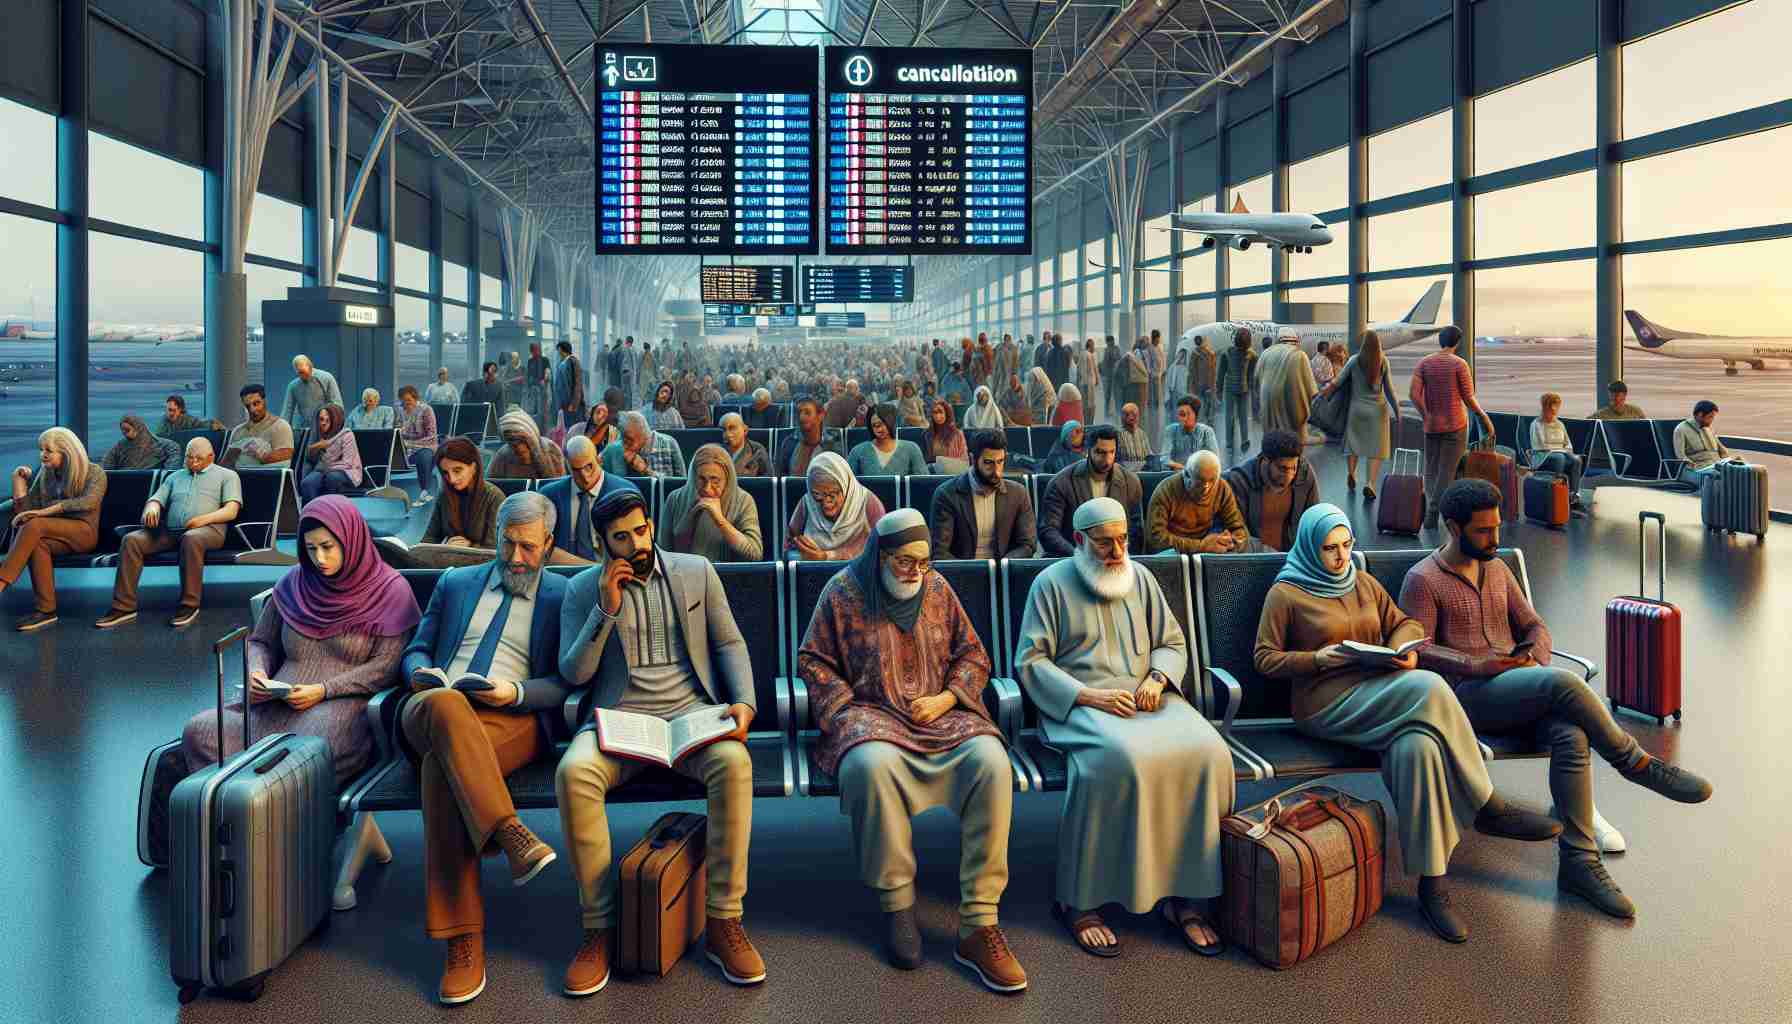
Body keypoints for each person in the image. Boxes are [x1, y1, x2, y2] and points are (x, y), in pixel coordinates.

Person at [1399, 479, 1713, 919]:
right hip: (1464, 701)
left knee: (1570, 735)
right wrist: (1475, 666)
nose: (1495, 539)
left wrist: (1532, 657)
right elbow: (1415, 649)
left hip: (1519, 689)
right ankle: (1636, 763)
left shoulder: (1497, 569)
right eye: (1484, 531)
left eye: (1497, 528)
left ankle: (1579, 863)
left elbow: (1535, 626)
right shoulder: (1423, 579)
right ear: (1453, 527)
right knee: (1563, 684)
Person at [1253, 504, 1562, 943]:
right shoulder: (1286, 593)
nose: (1341, 557)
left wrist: (1402, 648)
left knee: (1418, 748)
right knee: (1431, 687)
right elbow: (1264, 658)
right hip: (1325, 703)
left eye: (1346, 546)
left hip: (1376, 693)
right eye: (1330, 549)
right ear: (1309, 547)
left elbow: (1404, 622)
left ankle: (1432, 886)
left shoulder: (1360, 581)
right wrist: (1317, 659)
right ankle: (1488, 805)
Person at [795, 509, 1025, 988]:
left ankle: (979, 921)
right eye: (904, 562)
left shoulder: (938, 589)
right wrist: (847, 713)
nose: (914, 573)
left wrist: (945, 699)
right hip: (871, 714)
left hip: (941, 713)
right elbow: (813, 661)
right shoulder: (841, 592)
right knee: (869, 766)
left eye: (922, 562)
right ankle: (897, 902)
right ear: (880, 554)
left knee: (991, 763)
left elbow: (972, 654)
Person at [553, 488, 765, 996]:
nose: (635, 544)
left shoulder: (695, 571)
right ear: (602, 542)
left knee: (734, 764)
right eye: (620, 538)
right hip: (620, 716)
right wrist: (605, 610)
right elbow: (574, 674)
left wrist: (745, 704)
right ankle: (598, 927)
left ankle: (723, 920)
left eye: (641, 530)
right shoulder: (582, 588)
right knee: (573, 772)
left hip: (691, 712)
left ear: (651, 525)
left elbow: (730, 641)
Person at [1015, 496, 1233, 958]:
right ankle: (1081, 903)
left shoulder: (1143, 578)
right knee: (1123, 762)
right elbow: (1031, 661)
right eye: (1104, 543)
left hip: (1148, 698)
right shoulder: (1049, 584)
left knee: (1209, 753)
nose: (1117, 552)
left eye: (1122, 541)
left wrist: (1157, 679)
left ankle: (1184, 898)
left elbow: (1171, 642)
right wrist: (1090, 696)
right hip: (1080, 704)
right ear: (1078, 541)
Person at [399, 492, 571, 1004]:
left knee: (440, 771)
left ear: (549, 544)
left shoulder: (563, 595)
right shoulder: (455, 583)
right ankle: (509, 830)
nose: (516, 558)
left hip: (508, 718)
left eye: (528, 548)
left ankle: (463, 939)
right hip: (431, 708)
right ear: (494, 536)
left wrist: (512, 693)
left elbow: (565, 680)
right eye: (507, 543)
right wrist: (419, 676)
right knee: (448, 710)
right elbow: (417, 649)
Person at [176, 497, 417, 788]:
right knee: (200, 731)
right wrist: (258, 672)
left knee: (301, 754)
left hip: (336, 711)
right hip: (272, 706)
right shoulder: (294, 582)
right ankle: (228, 817)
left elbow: (386, 667)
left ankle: (275, 824)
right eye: (311, 548)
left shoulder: (391, 591)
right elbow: (260, 642)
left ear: (351, 540)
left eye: (327, 547)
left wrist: (323, 690)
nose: (319, 559)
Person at [96, 437, 240, 630]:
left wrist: (202, 520)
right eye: (189, 458)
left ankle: (189, 604)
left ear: (211, 457)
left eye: (199, 459)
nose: (193, 462)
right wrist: (152, 509)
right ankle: (123, 606)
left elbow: (231, 510)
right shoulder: (174, 477)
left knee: (191, 538)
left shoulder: (227, 476)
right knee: (132, 540)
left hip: (209, 530)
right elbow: (156, 499)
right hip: (171, 531)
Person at [2, 428, 105, 632]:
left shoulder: (94, 472)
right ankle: (46, 610)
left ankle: (2, 581)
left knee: (35, 524)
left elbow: (89, 502)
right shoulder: (46, 473)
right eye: (41, 449)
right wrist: (18, 482)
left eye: (49, 450)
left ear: (66, 452)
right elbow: (28, 513)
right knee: (37, 542)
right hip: (51, 533)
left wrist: (47, 512)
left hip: (83, 533)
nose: (43, 454)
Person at [1410, 326, 1495, 529]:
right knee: (1446, 472)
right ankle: (1432, 512)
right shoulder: (1459, 364)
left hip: (1432, 427)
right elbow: (1468, 397)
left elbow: (1413, 395)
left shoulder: (1424, 363)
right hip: (1455, 426)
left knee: (1430, 470)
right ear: (1457, 342)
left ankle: (1430, 506)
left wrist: (1426, 415)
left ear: (1440, 341)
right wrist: (1484, 418)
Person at [928, 431, 1036, 561]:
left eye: (1000, 461)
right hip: (961, 573)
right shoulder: (947, 494)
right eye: (988, 462)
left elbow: (1028, 544)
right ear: (973, 459)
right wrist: (971, 573)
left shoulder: (1018, 493)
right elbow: (940, 551)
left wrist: (1001, 567)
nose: (996, 471)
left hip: (1005, 572)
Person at [1038, 424, 1143, 557]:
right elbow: (1048, 531)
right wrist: (1079, 556)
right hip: (1075, 560)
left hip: (1117, 560)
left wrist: (1121, 557)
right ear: (1088, 450)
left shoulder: (1130, 482)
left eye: (1112, 452)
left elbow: (1136, 530)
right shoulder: (1061, 483)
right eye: (1101, 452)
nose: (1108, 460)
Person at [539, 436, 641, 566]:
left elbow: (634, 550)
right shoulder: (549, 495)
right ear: (567, 466)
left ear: (599, 460)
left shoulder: (625, 492)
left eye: (589, 467)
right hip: (560, 577)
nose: (585, 476)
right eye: (576, 470)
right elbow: (539, 549)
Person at [660, 443, 764, 562]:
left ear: (728, 480)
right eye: (701, 479)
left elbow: (755, 555)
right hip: (685, 575)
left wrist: (720, 520)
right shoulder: (675, 499)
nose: (707, 489)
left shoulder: (744, 501)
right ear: (693, 477)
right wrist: (691, 516)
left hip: (727, 577)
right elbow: (663, 553)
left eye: (715, 481)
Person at [1326, 328, 1399, 497]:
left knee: (1354, 445)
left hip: (1357, 409)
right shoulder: (1383, 361)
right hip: (1378, 411)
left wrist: (1324, 397)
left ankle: (1352, 474)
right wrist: (1397, 410)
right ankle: (1371, 484)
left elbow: (1337, 382)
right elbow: (1389, 389)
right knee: (1376, 448)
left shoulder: (1354, 360)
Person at [1222, 429, 1319, 553]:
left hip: (1293, 561)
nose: (1288, 476)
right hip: (1251, 562)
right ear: (1266, 460)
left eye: (1293, 468)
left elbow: (1314, 520)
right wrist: (1271, 555)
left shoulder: (1305, 475)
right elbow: (1236, 536)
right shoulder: (1238, 482)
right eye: (1282, 468)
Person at [786, 452, 885, 562]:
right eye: (817, 495)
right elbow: (789, 544)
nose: (826, 503)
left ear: (846, 487)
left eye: (832, 495)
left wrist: (827, 556)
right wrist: (801, 550)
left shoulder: (869, 503)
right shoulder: (807, 502)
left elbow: (881, 548)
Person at [1147, 450, 1248, 555]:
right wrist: (1201, 546)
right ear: (1186, 475)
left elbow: (1238, 529)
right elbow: (1156, 539)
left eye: (1212, 481)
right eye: (1200, 481)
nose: (1206, 488)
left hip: (1206, 551)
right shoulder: (1165, 490)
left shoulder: (1222, 487)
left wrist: (1230, 543)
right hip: (1172, 555)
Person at [1528, 392, 1588, 513]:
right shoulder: (1536, 425)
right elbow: (1540, 447)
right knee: (1559, 458)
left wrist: (1568, 452)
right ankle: (1556, 495)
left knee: (1576, 460)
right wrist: (1561, 451)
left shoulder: (1560, 424)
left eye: (1556, 408)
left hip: (1562, 454)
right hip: (1542, 457)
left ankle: (1573, 497)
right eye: (1551, 408)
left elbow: (1568, 444)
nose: (1554, 411)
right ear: (1545, 408)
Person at [1257, 330, 1317, 441]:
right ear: (1296, 341)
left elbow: (1257, 381)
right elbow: (1312, 389)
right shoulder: (1300, 355)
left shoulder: (1265, 354)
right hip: (1293, 415)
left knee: (1272, 444)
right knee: (1293, 445)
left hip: (1268, 413)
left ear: (1278, 340)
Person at [298, 404, 364, 503]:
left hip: (347, 471)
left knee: (332, 478)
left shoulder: (347, 435)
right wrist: (315, 448)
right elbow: (311, 461)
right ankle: (311, 514)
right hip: (322, 470)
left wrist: (326, 469)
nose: (323, 423)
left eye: (327, 420)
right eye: (321, 419)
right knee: (308, 483)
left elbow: (347, 463)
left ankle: (331, 514)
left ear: (335, 420)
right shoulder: (317, 435)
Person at [220, 384, 295, 469]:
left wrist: (262, 457)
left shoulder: (280, 426)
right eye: (248, 406)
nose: (252, 409)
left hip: (265, 476)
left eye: (256, 403)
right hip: (239, 476)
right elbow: (227, 462)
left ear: (265, 401)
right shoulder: (238, 431)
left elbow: (287, 453)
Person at [847, 404, 928, 478]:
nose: (879, 429)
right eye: (875, 425)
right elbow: (847, 484)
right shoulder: (857, 451)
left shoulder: (911, 448)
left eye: (883, 424)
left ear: (892, 422)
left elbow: (923, 482)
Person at [601, 410, 686, 479]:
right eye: (623, 438)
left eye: (629, 439)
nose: (625, 445)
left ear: (644, 435)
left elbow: (682, 485)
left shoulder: (669, 443)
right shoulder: (613, 450)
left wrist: (646, 470)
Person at [487, 409, 567, 480]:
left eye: (521, 440)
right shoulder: (502, 456)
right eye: (511, 441)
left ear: (532, 436)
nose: (518, 447)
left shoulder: (550, 449)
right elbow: (493, 484)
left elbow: (559, 486)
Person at [773, 399, 845, 478]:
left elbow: (839, 478)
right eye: (799, 413)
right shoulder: (789, 443)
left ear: (821, 416)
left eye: (807, 413)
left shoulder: (832, 444)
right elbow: (779, 477)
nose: (801, 417)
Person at [397, 385, 440, 505]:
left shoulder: (426, 410)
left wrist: (411, 444)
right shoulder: (399, 410)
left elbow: (432, 435)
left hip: (425, 445)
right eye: (403, 401)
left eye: (409, 400)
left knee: (424, 457)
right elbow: (395, 430)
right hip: (404, 446)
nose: (406, 403)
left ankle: (424, 491)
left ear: (415, 398)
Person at [1216, 328, 1256, 454]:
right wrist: (1252, 389)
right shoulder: (1251, 354)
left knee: (1232, 416)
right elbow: (1251, 376)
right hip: (1241, 389)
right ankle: (1238, 441)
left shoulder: (1227, 352)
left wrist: (1219, 390)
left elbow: (1221, 374)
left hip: (1233, 389)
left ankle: (1231, 443)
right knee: (1239, 416)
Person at [1672, 400, 1731, 483]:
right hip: (1696, 470)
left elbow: (1722, 450)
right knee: (1719, 475)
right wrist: (1694, 467)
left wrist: (1730, 462)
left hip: (1716, 465)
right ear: (1700, 415)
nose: (1712, 420)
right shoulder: (1681, 430)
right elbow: (1681, 457)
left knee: (1742, 470)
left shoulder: (1709, 428)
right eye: (1710, 417)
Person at [279, 354, 344, 429]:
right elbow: (287, 412)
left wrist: (335, 427)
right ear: (296, 371)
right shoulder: (293, 386)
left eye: (304, 372)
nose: (303, 376)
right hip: (305, 428)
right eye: (300, 373)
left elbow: (337, 406)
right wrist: (283, 431)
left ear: (310, 367)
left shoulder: (326, 378)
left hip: (326, 427)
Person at [100, 414, 181, 471]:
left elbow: (172, 466)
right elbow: (106, 464)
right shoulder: (120, 446)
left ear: (137, 428)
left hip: (149, 480)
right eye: (123, 430)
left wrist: (165, 476)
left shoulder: (165, 445)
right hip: (124, 479)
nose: (124, 433)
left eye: (127, 430)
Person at [1161, 396, 1219, 472]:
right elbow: (1164, 459)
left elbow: (1214, 460)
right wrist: (1184, 469)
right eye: (1181, 414)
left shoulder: (1206, 431)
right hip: (1176, 475)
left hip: (1201, 476)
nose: (1184, 418)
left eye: (1188, 414)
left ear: (1196, 415)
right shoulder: (1170, 430)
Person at [924, 400, 969, 470]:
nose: (937, 416)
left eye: (941, 412)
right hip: (933, 472)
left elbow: (964, 460)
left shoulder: (957, 434)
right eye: (935, 413)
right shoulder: (928, 434)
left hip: (953, 472)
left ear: (947, 414)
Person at [553, 340, 585, 425]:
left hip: (571, 402)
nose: (559, 353)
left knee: (573, 425)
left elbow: (577, 384)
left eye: (560, 350)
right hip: (564, 402)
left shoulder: (573, 362)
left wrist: (574, 403)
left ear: (564, 350)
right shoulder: (562, 362)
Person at [526, 342, 552, 425]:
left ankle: (544, 428)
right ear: (531, 351)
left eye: (538, 349)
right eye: (534, 350)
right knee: (534, 410)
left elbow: (547, 371)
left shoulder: (544, 360)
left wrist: (545, 379)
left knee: (544, 410)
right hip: (533, 389)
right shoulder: (530, 361)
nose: (537, 351)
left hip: (543, 388)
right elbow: (529, 375)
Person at [1165, 349, 1190, 425]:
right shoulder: (1173, 367)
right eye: (1180, 355)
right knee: (1175, 412)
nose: (1181, 357)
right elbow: (1168, 382)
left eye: (1183, 356)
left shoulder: (1187, 368)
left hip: (1184, 393)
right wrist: (1168, 393)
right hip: (1175, 393)